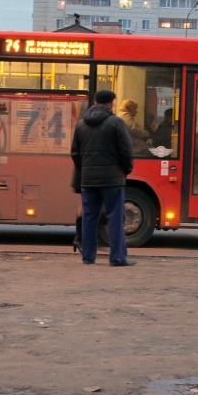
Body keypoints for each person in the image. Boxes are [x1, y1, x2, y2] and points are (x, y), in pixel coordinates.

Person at [71, 89, 134, 267]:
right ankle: (117, 258)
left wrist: (85, 169)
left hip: (88, 179)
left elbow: (75, 153)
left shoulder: (81, 124)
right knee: (115, 217)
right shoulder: (116, 123)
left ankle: (88, 257)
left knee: (90, 217)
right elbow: (126, 151)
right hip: (113, 179)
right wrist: (125, 170)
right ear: (111, 103)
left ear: (96, 101)